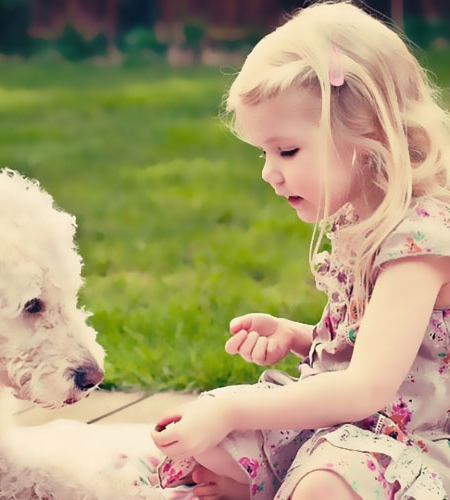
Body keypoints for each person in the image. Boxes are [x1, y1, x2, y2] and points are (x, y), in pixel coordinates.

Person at [151, 1, 450, 499]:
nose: (270, 172)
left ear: (369, 131)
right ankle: (258, 482)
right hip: (349, 425)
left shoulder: (419, 243)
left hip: (409, 440)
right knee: (195, 437)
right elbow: (382, 340)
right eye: (264, 152)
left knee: (322, 482)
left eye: (286, 150)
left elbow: (367, 388)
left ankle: (273, 486)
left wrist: (235, 409)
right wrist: (296, 336)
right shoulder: (362, 219)